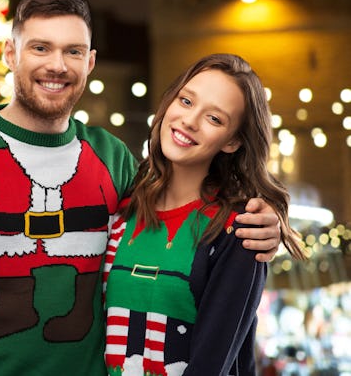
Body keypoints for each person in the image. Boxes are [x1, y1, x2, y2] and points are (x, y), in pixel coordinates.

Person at [0, 0, 282, 375]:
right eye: (40, 47)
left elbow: (180, 203)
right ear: (11, 53)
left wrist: (265, 220)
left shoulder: (113, 157)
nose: (57, 65)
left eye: (73, 51)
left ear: (90, 62)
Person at [103, 53, 306, 375]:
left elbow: (213, 365)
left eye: (214, 119)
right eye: (186, 101)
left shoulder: (239, 232)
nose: (189, 120)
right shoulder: (120, 209)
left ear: (232, 141)